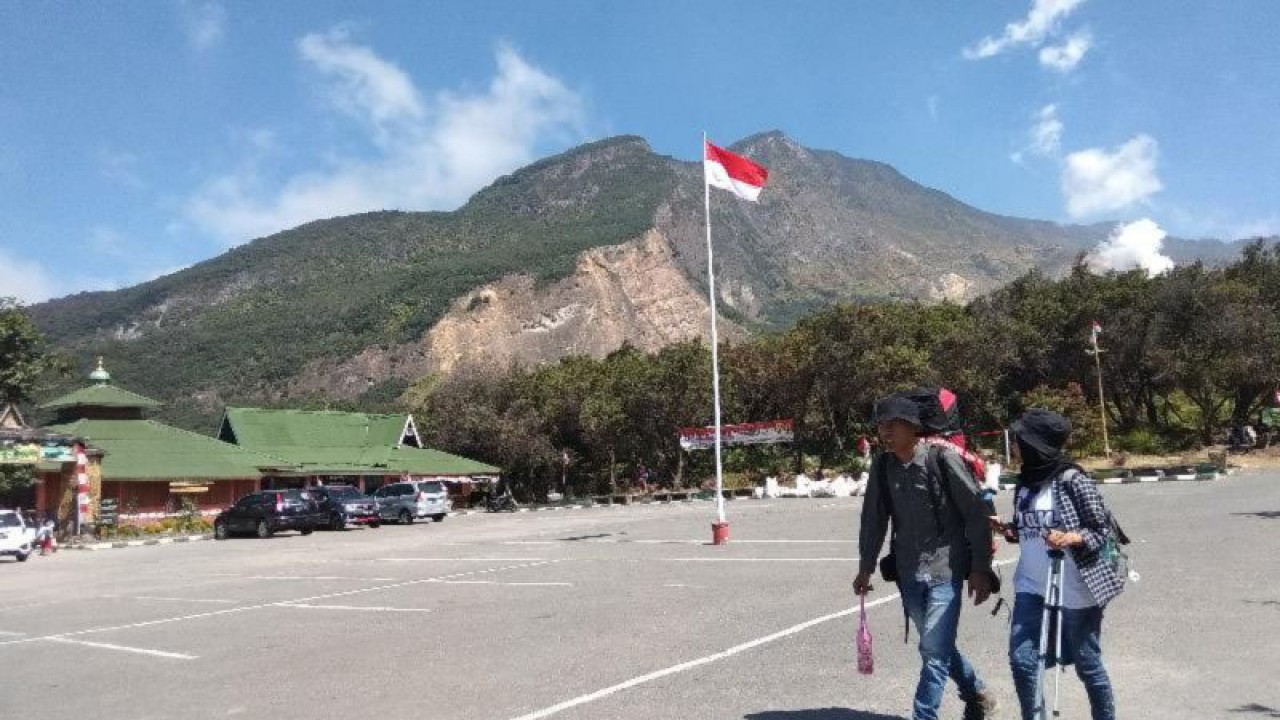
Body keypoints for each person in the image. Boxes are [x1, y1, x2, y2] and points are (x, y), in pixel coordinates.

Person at [853, 396, 999, 720]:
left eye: (892, 425)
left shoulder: (942, 460)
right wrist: (865, 568)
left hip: (946, 569)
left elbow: (976, 515)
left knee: (933, 650)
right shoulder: (882, 466)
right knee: (937, 644)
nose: (885, 432)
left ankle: (925, 714)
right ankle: (976, 693)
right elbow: (873, 520)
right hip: (908, 571)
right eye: (881, 426)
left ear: (913, 428)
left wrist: (980, 569)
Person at [1004, 409, 1123, 720]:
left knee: (1087, 663)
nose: (1014, 446)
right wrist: (1010, 530)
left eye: (1019, 440)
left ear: (1035, 444)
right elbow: (1029, 528)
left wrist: (1070, 537)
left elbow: (1101, 529)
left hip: (1074, 585)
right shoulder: (1025, 483)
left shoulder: (1072, 479)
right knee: (1023, 661)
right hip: (1031, 584)